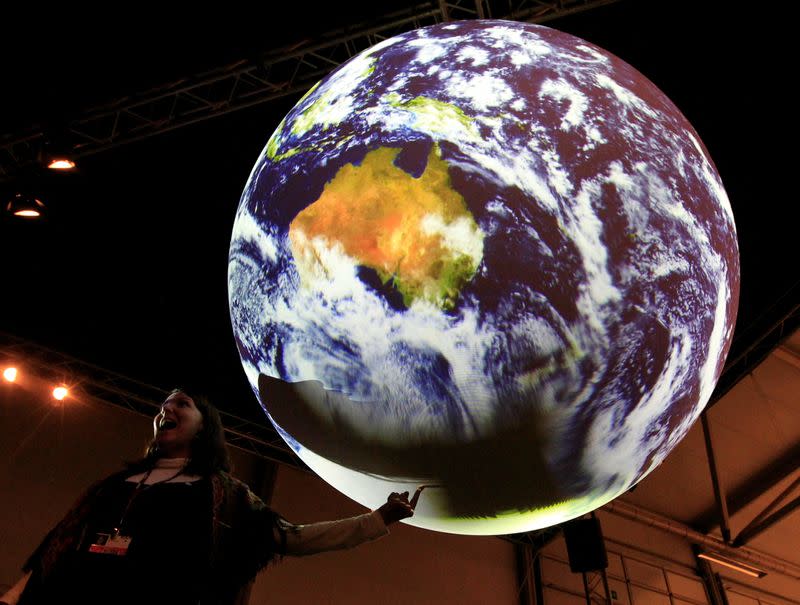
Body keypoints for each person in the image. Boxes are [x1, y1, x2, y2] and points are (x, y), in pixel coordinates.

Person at [1, 389, 419, 605]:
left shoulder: (226, 496)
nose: (167, 408)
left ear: (204, 427)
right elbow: (54, 549)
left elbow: (292, 537)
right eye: (163, 405)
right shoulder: (112, 486)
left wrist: (377, 518)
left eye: (181, 404)